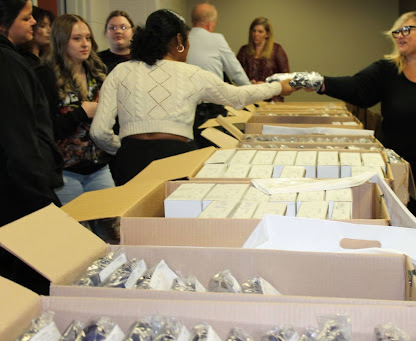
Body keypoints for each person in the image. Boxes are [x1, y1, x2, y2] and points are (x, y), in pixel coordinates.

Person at [311, 10, 416, 262]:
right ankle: (404, 278)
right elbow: (358, 88)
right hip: (400, 163)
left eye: (406, 30)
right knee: (401, 224)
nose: (399, 36)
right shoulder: (386, 70)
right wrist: (320, 83)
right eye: (396, 32)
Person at [90, 9, 294, 186]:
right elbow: (238, 97)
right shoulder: (191, 74)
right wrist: (277, 87)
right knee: (172, 224)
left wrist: (123, 149)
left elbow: (98, 131)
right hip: (174, 157)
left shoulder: (120, 71)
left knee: (132, 226)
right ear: (179, 40)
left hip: (130, 159)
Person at [0, 0, 62, 295]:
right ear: (4, 23)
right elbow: (19, 139)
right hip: (19, 196)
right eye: (26, 18)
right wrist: (43, 199)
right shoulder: (8, 64)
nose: (34, 24)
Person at [44, 14, 115, 205]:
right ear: (61, 41)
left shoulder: (97, 73)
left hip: (99, 166)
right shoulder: (47, 76)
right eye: (77, 39)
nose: (85, 44)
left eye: (88, 38)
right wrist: (81, 113)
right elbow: (45, 128)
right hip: (66, 172)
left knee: (112, 229)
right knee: (75, 230)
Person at [186, 3, 251, 148]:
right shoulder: (216, 40)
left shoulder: (181, 40)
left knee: (192, 150)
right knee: (213, 148)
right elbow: (236, 73)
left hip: (185, 108)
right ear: (210, 24)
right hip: (211, 109)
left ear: (192, 21)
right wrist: (253, 92)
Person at [237, 17, 290, 102]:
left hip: (272, 100)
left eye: (260, 31)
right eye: (254, 31)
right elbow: (237, 74)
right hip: (249, 99)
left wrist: (266, 85)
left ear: (267, 34)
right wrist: (249, 83)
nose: (256, 34)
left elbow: (286, 77)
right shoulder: (244, 51)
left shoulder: (277, 50)